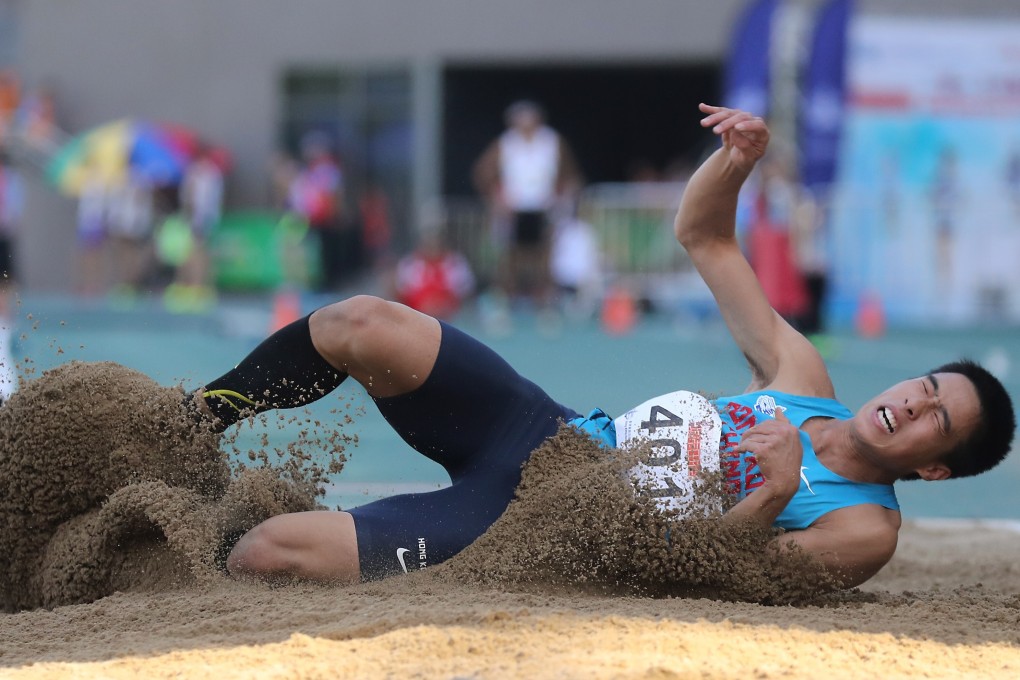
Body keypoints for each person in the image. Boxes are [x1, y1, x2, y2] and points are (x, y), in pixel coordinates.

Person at [188, 104, 1015, 590]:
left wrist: (774, 493)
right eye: (927, 386)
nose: (912, 402)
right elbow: (706, 239)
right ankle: (192, 426)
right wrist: (736, 163)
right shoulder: (801, 377)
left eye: (935, 421)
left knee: (271, 550)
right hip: (551, 436)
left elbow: (722, 581)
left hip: (546, 527)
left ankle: (172, 563)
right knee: (358, 321)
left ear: (933, 467)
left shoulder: (865, 528)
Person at [472, 100, 582, 307]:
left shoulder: (551, 141)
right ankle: (505, 304)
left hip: (543, 206)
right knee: (510, 258)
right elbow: (482, 172)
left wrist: (563, 200)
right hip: (515, 208)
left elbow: (570, 175)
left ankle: (545, 305)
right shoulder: (506, 143)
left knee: (544, 258)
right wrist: (496, 198)